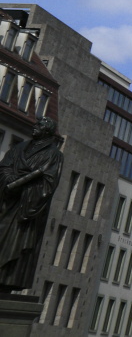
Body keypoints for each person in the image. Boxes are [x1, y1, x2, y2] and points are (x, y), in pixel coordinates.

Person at [0, 117, 64, 294]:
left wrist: (24, 187)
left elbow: (48, 184)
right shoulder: (19, 148)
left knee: (15, 243)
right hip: (7, 202)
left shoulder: (54, 155)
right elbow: (4, 167)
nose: (35, 127)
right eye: (36, 124)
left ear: (47, 131)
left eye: (40, 125)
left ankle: (6, 281)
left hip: (25, 210)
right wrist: (10, 179)